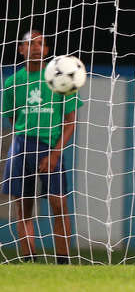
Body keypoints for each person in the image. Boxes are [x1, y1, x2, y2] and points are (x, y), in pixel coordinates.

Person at [1, 30, 83, 264]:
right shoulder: (12, 82)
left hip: (50, 146)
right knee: (23, 205)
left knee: (59, 203)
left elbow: (70, 122)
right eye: (30, 44)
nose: (35, 47)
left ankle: (63, 261)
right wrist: (24, 136)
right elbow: (13, 118)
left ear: (46, 50)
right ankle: (29, 260)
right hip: (22, 145)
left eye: (40, 44)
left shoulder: (60, 77)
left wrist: (55, 153)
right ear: (21, 49)